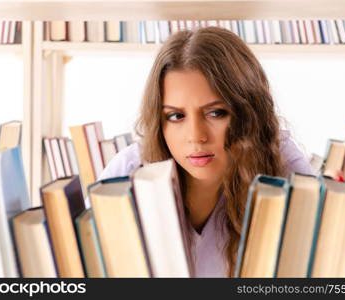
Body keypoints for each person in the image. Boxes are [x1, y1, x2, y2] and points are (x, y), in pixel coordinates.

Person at [98, 27, 313, 277]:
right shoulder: (125, 175)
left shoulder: (281, 163)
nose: (196, 136)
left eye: (216, 113)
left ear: (248, 115)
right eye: (176, 116)